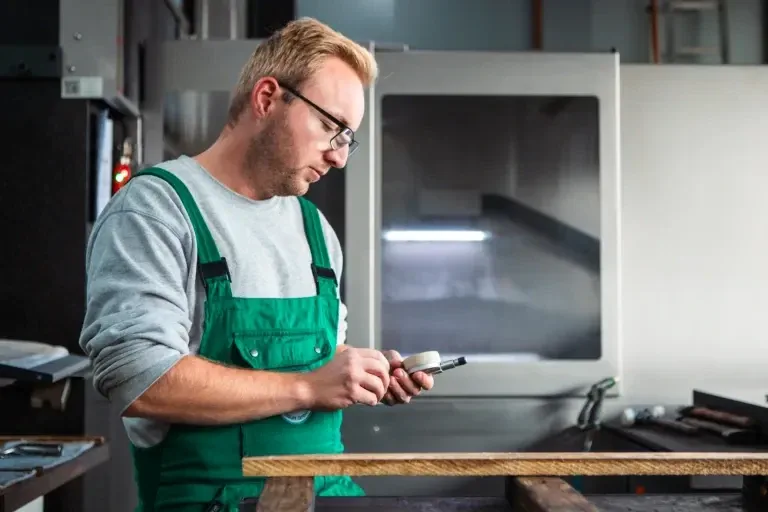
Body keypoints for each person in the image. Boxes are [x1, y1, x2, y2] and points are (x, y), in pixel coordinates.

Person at [79, 17, 434, 511]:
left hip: (326, 495)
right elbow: (141, 380)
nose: (339, 157)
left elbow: (319, 360)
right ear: (267, 99)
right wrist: (309, 386)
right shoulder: (157, 210)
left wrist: (362, 374)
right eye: (330, 127)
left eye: (347, 137)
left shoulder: (315, 231)